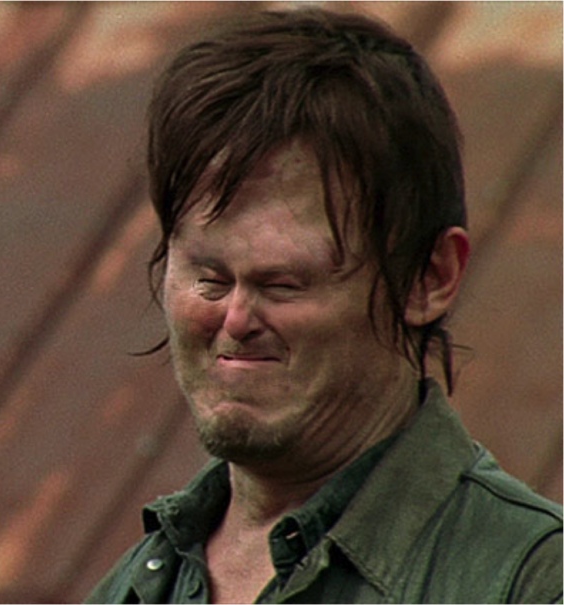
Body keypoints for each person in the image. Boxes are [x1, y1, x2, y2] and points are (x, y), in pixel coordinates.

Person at [86, 8, 564, 604]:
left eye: (284, 283)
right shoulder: (135, 587)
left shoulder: (531, 582)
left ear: (429, 277)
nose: (235, 319)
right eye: (209, 278)